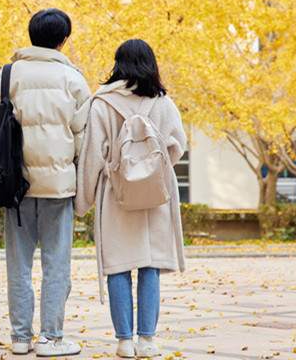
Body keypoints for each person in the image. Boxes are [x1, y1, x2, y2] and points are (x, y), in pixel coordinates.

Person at [0, 8, 91, 356]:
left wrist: (0, 176)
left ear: (31, 36)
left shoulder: (6, 76)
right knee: (57, 265)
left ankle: (20, 339)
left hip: (16, 188)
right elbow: (84, 139)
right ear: (64, 39)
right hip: (58, 188)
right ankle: (51, 339)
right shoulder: (73, 79)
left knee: (19, 265)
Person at [74, 39, 187, 358]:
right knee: (150, 266)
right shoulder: (163, 102)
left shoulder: (102, 103)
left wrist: (82, 203)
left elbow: (92, 157)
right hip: (156, 196)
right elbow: (178, 144)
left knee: (118, 266)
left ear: (118, 63)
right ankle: (147, 342)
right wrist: (153, 168)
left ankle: (124, 342)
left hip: (115, 194)